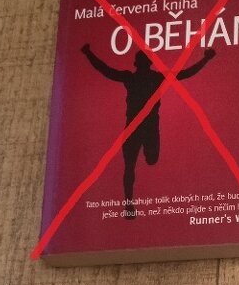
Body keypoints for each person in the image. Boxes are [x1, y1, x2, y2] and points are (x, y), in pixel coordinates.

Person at [80, 43, 215, 217]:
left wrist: (88, 53)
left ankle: (129, 205)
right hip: (137, 128)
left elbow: (105, 70)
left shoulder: (145, 78)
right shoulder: (145, 78)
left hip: (145, 128)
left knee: (147, 161)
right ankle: (129, 206)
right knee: (131, 166)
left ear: (138, 64)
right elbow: (105, 70)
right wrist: (206, 59)